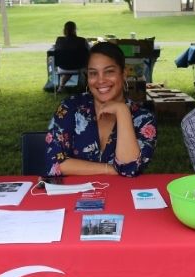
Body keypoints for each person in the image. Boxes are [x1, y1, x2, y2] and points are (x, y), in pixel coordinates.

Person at [45, 42, 157, 177]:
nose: (101, 80)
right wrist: (110, 169)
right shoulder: (70, 107)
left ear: (124, 74)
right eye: (93, 73)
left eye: (109, 71)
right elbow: (56, 163)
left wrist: (122, 111)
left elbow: (130, 167)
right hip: (73, 195)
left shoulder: (144, 118)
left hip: (122, 195)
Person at [54, 21, 90, 89]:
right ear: (75, 30)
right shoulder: (81, 41)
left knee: (69, 62)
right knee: (89, 68)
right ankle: (88, 88)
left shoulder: (59, 40)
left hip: (62, 68)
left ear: (64, 30)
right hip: (79, 67)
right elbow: (89, 52)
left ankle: (61, 87)